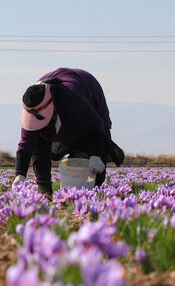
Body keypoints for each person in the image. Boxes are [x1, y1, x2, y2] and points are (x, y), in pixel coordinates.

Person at [11, 67, 124, 195]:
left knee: (90, 162)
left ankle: (91, 192)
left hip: (87, 88)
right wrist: (20, 175)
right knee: (38, 140)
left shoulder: (72, 99)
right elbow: (26, 145)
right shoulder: (31, 105)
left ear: (53, 108)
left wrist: (95, 156)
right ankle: (44, 189)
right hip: (62, 106)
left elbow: (96, 125)